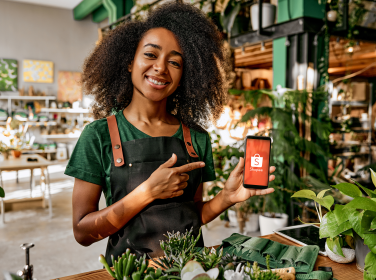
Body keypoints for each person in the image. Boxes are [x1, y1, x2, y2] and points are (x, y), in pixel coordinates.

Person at [65, 2, 275, 265]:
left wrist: (226, 198)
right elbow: (82, 233)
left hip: (192, 269)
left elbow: (191, 216)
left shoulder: (196, 138)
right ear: (130, 62)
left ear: (185, 75)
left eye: (174, 62)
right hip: (131, 273)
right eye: (151, 55)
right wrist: (148, 192)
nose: (161, 68)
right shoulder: (98, 136)